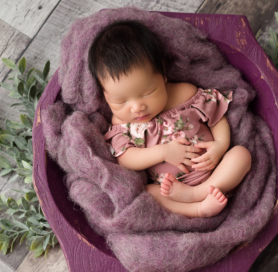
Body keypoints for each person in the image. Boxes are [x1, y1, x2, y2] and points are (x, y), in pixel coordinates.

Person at [88, 20, 252, 218]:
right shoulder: (122, 125)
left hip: (216, 172)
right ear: (105, 97)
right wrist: (163, 152)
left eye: (147, 92)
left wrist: (220, 145)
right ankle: (196, 209)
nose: (137, 107)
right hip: (171, 190)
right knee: (149, 193)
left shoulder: (185, 93)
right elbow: (126, 158)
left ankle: (199, 193)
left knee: (241, 155)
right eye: (120, 101)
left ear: (163, 75)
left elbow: (216, 117)